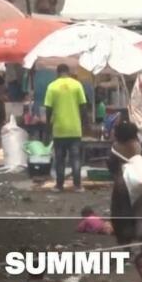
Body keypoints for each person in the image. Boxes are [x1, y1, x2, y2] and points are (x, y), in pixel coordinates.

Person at [44, 64, 88, 192]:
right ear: (68, 72)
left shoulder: (52, 86)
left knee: (60, 159)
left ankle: (59, 186)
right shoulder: (77, 85)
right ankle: (78, 186)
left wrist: (48, 127)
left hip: (59, 129)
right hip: (75, 129)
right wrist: (85, 124)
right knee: (75, 159)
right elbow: (83, 106)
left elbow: (48, 109)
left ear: (57, 73)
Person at [109, 121, 142, 245]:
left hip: (122, 184)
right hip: (140, 182)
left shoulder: (115, 147)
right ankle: (141, 234)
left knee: (120, 214)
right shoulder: (139, 146)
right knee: (141, 210)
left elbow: (111, 166)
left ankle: (125, 245)